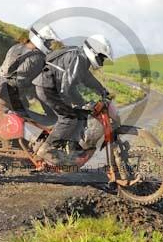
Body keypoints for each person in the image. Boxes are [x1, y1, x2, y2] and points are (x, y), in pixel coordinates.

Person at [33, 34, 113, 164]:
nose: (102, 62)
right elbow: (67, 86)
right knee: (69, 118)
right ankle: (47, 149)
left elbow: (87, 79)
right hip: (48, 88)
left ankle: (69, 147)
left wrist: (102, 90)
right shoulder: (79, 58)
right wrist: (76, 103)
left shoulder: (80, 57)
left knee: (80, 113)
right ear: (93, 51)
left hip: (50, 87)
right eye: (101, 57)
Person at [0, 25, 59, 118]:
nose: (50, 46)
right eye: (49, 42)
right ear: (41, 40)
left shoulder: (17, 47)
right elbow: (38, 86)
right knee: (37, 123)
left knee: (26, 105)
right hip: (8, 95)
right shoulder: (38, 58)